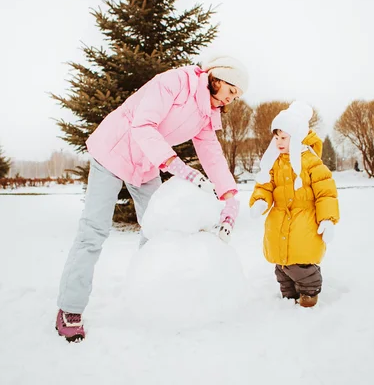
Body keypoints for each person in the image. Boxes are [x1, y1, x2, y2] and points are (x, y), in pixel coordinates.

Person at [56, 56, 249, 342]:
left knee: (157, 232)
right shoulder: (175, 82)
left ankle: (151, 298)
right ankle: (69, 308)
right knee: (93, 231)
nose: (231, 100)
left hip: (146, 165)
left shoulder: (207, 112)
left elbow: (211, 152)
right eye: (231, 92)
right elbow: (143, 125)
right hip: (112, 152)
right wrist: (177, 167)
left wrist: (230, 197)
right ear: (218, 79)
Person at [249, 101, 339, 308]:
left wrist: (327, 218)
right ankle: (288, 295)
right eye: (276, 137)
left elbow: (326, 193)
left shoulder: (312, 162)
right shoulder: (274, 162)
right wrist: (261, 200)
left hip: (304, 219)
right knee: (281, 264)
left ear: (297, 137)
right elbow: (265, 184)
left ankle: (309, 294)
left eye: (284, 137)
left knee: (301, 261)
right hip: (279, 217)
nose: (279, 142)